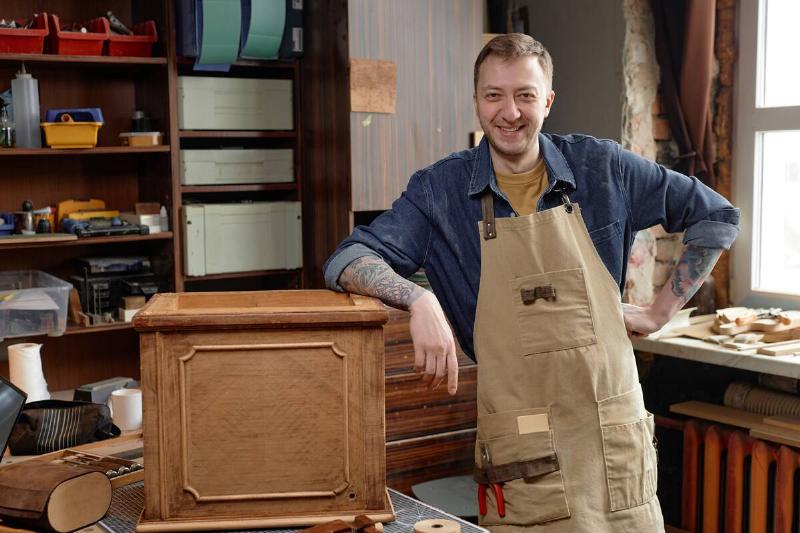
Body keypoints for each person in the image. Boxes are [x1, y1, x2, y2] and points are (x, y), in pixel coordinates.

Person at [323, 33, 738, 532]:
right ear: (476, 100)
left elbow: (716, 216)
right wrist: (419, 298)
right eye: (493, 95)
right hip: (524, 447)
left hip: (612, 437)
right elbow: (347, 258)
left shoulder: (602, 168)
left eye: (524, 94)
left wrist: (658, 311)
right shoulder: (442, 190)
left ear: (548, 100)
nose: (509, 112)